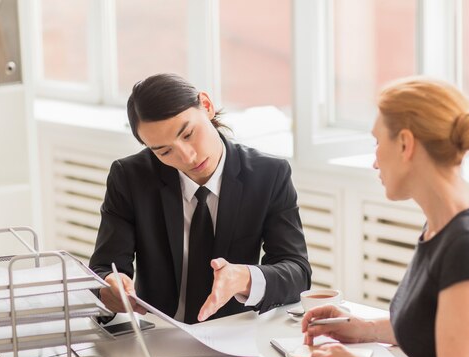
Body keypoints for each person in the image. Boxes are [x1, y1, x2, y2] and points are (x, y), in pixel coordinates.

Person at [301, 77, 469, 357]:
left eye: (376, 143)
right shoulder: (443, 227)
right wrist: (363, 329)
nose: (374, 161)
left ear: (405, 144)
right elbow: (438, 325)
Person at [89, 73, 311, 324]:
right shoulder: (130, 177)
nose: (187, 157)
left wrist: (244, 277)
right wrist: (109, 288)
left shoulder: (268, 175)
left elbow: (297, 272)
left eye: (188, 134)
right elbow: (104, 269)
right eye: (164, 151)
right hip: (158, 331)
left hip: (233, 332)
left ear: (206, 105)